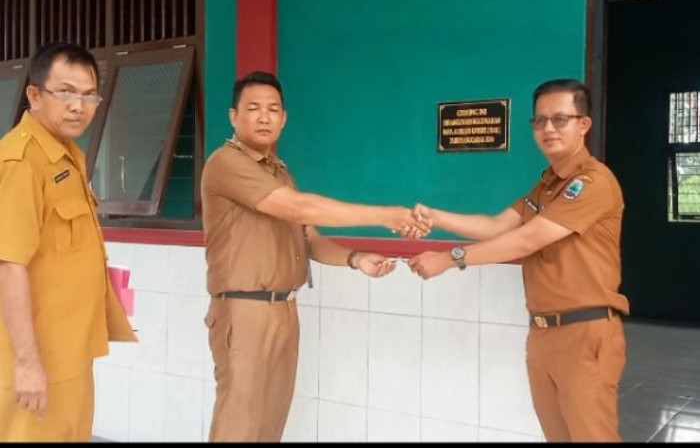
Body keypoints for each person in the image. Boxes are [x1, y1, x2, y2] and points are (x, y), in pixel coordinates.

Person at [202, 70, 429, 442]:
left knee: (270, 423)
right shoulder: (226, 164)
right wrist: (384, 215)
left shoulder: (278, 171)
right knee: (238, 424)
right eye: (253, 108)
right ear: (233, 116)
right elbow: (298, 208)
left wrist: (356, 258)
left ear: (284, 118)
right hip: (244, 311)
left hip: (284, 309)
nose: (264, 117)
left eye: (273, 109)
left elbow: (310, 238)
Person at [407, 79, 629, 442]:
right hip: (543, 333)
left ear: (583, 124)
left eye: (560, 119)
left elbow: (527, 239)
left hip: (584, 333)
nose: (548, 129)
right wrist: (435, 216)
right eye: (539, 121)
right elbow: (497, 225)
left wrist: (450, 259)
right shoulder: (546, 186)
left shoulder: (593, 183)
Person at [0, 43, 137, 442]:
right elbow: (10, 264)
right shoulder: (21, 162)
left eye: (88, 94)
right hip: (34, 366)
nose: (78, 106)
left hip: (71, 356)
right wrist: (27, 365)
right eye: (65, 93)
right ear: (34, 95)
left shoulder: (67, 155)